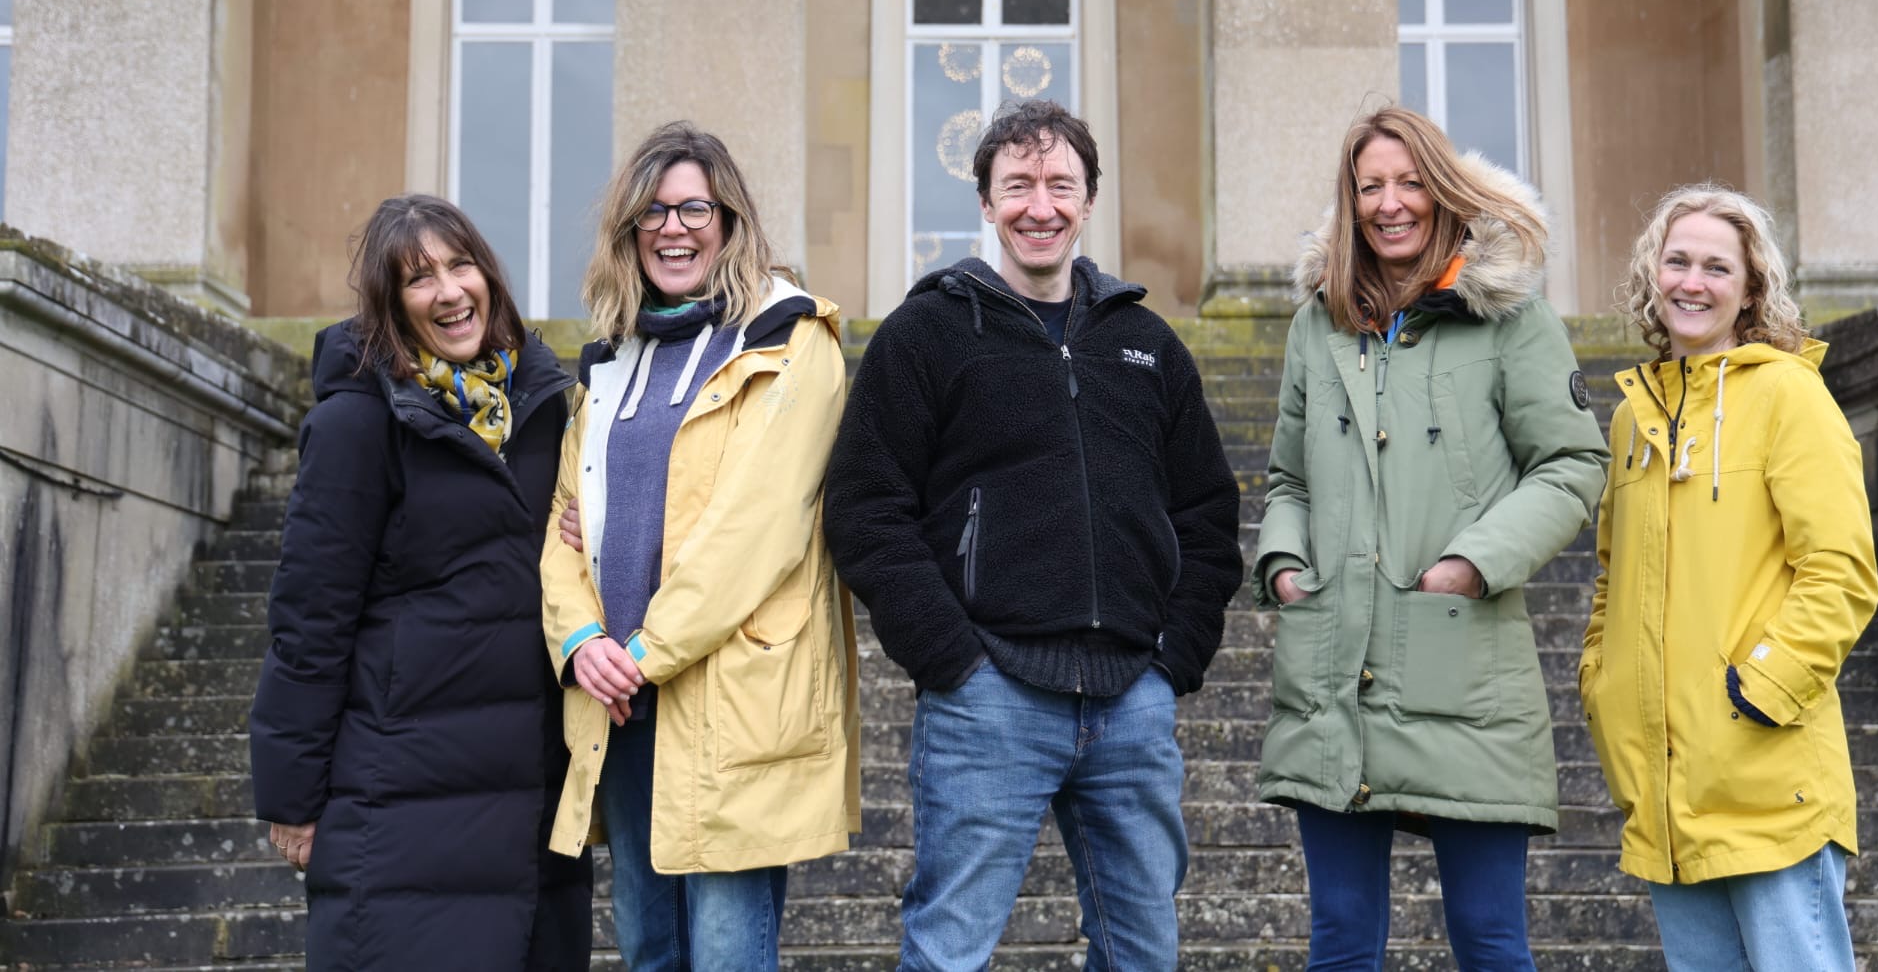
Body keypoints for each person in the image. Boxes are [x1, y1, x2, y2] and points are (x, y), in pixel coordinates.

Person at [824, 99, 1242, 971]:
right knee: (948, 954)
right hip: (990, 699)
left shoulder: (1148, 344)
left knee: (1144, 955)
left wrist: (1173, 662)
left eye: (1060, 183)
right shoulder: (926, 334)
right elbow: (865, 508)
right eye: (1017, 184)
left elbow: (1207, 514)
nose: (1039, 205)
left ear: (1090, 199)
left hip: (1132, 701)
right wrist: (952, 658)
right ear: (985, 201)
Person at [1253, 105, 1607, 971]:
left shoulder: (1511, 315)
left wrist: (1471, 566)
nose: (1390, 203)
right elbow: (1289, 477)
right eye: (1371, 185)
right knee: (1338, 941)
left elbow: (1571, 463)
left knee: (1490, 941)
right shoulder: (1317, 322)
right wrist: (1285, 566)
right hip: (1332, 671)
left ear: (1443, 188)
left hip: (1466, 675)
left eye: (1410, 181)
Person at [537, 120, 858, 972]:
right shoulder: (609, 360)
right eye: (653, 211)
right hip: (622, 702)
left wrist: (644, 649)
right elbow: (564, 526)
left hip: (728, 696)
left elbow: (759, 527)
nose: (672, 228)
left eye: (693, 208)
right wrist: (580, 641)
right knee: (649, 950)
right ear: (628, 229)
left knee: (724, 954)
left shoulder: (791, 338)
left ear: (729, 220)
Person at [249, 195, 592, 971]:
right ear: (389, 306)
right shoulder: (356, 425)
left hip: (534, 799)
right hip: (400, 801)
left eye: (460, 264)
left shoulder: (547, 411)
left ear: (489, 276)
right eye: (418, 278)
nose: (448, 290)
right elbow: (309, 618)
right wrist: (292, 796)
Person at [1579, 184, 1878, 972]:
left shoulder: (1789, 394)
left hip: (1770, 782)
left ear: (1749, 291)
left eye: (1717, 266)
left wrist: (1765, 689)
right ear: (1653, 275)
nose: (1692, 281)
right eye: (1677, 260)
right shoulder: (1630, 418)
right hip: (1669, 799)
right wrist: (1602, 686)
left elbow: (1841, 570)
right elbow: (1611, 577)